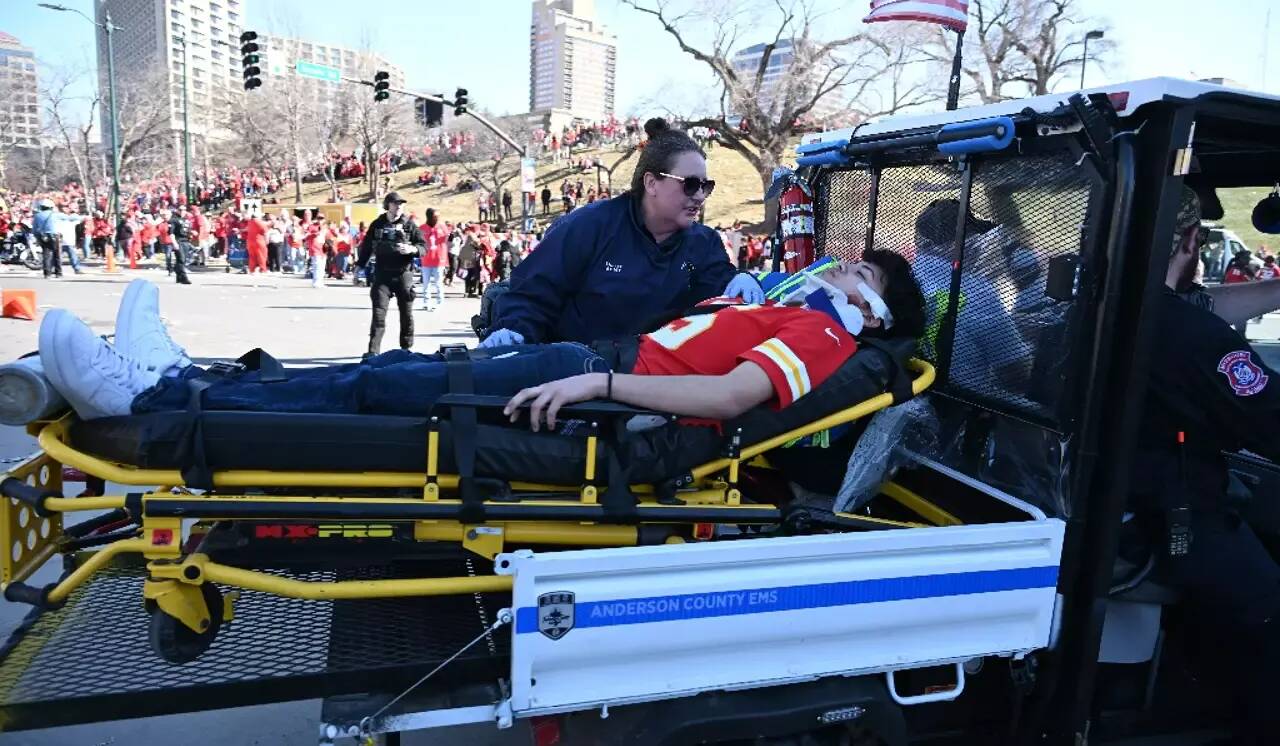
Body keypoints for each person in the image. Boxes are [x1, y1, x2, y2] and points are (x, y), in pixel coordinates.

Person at [36, 252, 924, 430]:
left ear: (873, 313)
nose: (842, 271)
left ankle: (150, 398)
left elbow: (730, 398)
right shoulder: (792, 310)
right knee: (386, 372)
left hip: (596, 381)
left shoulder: (824, 335)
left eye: (862, 277)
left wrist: (597, 389)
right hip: (590, 364)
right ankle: (181, 379)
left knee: (377, 390)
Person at [1128, 187, 1280, 743]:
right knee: (1270, 611)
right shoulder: (1196, 340)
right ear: (1191, 241)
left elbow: (1195, 308)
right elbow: (1271, 421)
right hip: (1178, 521)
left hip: (1125, 503)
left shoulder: (1102, 301)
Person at [481, 118, 760, 349]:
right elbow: (533, 292)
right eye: (690, 185)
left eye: (705, 186)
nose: (699, 196)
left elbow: (718, 294)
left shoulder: (704, 242)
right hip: (575, 378)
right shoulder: (589, 226)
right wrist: (513, 331)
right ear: (651, 183)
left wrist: (741, 279)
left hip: (655, 385)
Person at [910, 198, 1028, 385]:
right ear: (962, 244)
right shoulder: (978, 292)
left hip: (915, 389)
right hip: (966, 401)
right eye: (975, 238)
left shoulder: (904, 278)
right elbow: (1015, 374)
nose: (981, 246)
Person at [357, 192, 423, 356]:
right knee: (378, 315)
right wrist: (359, 267)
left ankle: (406, 349)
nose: (399, 206)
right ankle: (373, 352)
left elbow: (423, 246)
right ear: (388, 205)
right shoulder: (377, 224)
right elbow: (366, 247)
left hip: (403, 274)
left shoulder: (410, 225)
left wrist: (412, 249)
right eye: (395, 203)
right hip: (382, 275)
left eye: (401, 203)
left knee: (406, 315)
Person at [419, 208, 448, 312]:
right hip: (426, 260)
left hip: (439, 260)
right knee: (426, 283)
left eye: (438, 216)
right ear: (429, 217)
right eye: (435, 216)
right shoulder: (422, 228)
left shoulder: (443, 227)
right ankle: (426, 302)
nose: (437, 218)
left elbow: (447, 241)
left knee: (438, 283)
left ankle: (439, 302)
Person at [30, 199, 63, 279]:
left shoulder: (37, 216)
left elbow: (34, 229)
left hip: (43, 236)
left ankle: (47, 273)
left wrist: (37, 237)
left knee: (46, 255)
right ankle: (58, 273)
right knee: (57, 254)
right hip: (55, 235)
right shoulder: (56, 215)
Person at [167, 208, 193, 285]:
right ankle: (184, 277)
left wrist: (191, 233)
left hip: (186, 241)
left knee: (183, 260)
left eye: (184, 210)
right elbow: (171, 233)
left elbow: (187, 231)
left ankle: (178, 276)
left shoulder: (186, 220)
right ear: (177, 211)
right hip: (178, 241)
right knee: (181, 259)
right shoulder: (174, 220)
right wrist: (174, 243)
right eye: (180, 210)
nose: (182, 211)